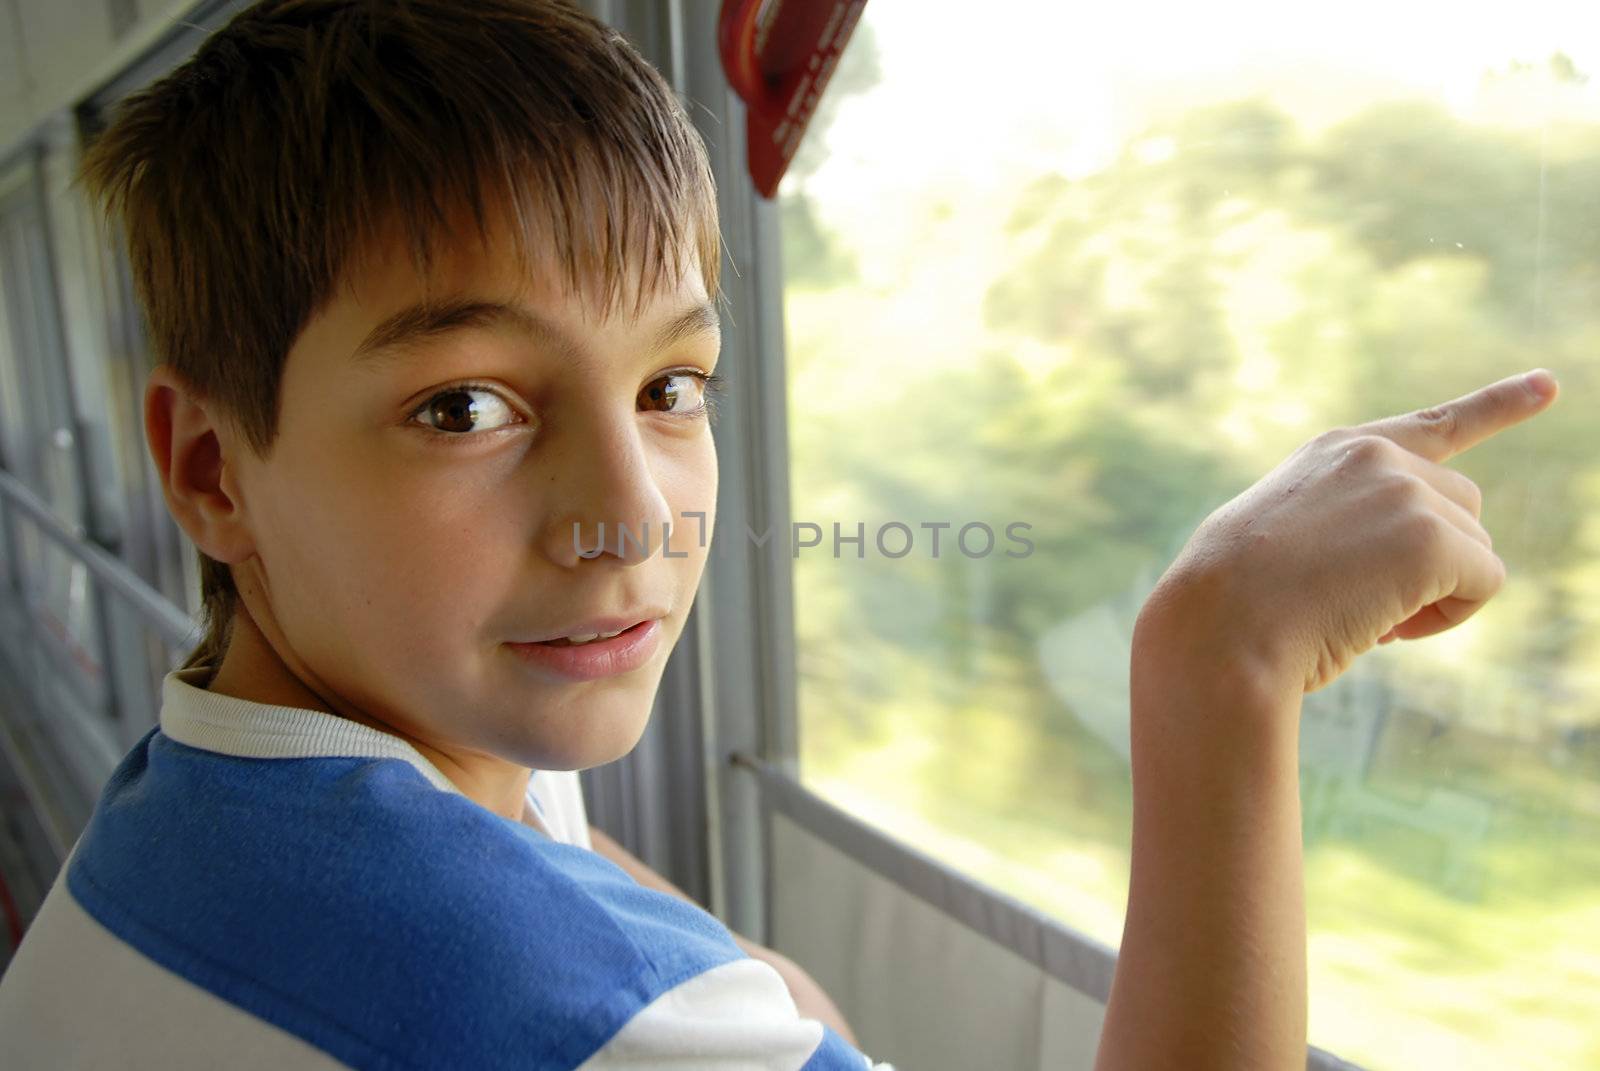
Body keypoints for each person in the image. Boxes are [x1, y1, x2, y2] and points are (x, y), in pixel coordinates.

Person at [0, 1, 1562, 1068]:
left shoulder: (194, 804)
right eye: (465, 408)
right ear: (211, 470)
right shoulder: (579, 1022)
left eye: (674, 385)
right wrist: (1224, 654)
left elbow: (557, 852)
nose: (629, 519)